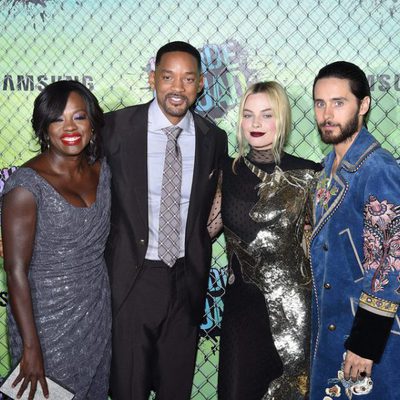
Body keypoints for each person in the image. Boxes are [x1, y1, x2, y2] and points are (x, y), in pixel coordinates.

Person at [101, 41, 227, 400]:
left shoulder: (212, 138)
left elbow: (212, 204)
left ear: (201, 83)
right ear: (152, 78)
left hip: (185, 282)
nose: (177, 87)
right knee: (128, 388)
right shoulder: (115, 128)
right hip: (130, 279)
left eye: (188, 79)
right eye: (168, 77)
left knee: (177, 389)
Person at [207, 81, 321, 399]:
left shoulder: (309, 174)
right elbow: (203, 232)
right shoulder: (225, 172)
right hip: (242, 314)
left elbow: (320, 249)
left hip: (295, 314)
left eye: (267, 115)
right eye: (248, 115)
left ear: (282, 119)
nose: (256, 124)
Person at [0, 80, 111, 400]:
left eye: (79, 117)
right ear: (44, 128)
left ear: (92, 122)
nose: (70, 127)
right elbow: (16, 271)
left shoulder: (102, 171)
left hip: (96, 315)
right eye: (57, 119)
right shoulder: (25, 186)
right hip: (45, 325)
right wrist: (31, 348)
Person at [309, 61, 400, 399]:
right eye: (320, 103)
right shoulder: (327, 168)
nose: (327, 113)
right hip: (331, 328)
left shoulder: (377, 170)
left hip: (366, 341)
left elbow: (390, 264)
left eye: (338, 102)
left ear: (363, 105)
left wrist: (366, 343)